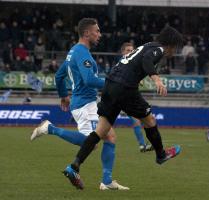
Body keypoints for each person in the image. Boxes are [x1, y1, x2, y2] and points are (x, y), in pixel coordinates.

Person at [63, 25, 183, 190]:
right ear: (170, 44)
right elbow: (147, 60)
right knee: (150, 120)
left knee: (101, 131)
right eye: (175, 47)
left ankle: (74, 165)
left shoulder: (147, 45)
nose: (174, 51)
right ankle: (161, 155)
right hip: (125, 87)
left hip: (110, 84)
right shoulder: (159, 49)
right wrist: (157, 79)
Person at [30, 18, 129, 190]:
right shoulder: (82, 52)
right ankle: (50, 128)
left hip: (86, 103)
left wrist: (63, 96)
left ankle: (106, 181)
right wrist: (114, 82)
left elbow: (59, 76)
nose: (99, 34)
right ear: (86, 33)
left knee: (110, 136)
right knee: (90, 142)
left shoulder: (73, 52)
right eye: (97, 31)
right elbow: (89, 79)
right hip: (85, 105)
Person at [120, 42, 153, 152]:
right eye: (128, 50)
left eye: (132, 50)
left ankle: (143, 145)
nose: (130, 52)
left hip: (129, 98)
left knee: (139, 120)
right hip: (121, 98)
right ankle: (144, 145)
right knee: (140, 120)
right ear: (122, 52)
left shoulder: (132, 64)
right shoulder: (121, 64)